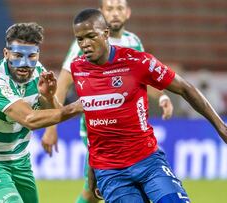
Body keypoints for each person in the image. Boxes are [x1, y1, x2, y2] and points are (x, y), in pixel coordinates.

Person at [70, 9, 227, 203]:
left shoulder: (137, 62)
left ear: (106, 33)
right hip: (111, 172)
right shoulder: (78, 69)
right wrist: (93, 174)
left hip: (148, 162)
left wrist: (223, 129)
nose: (85, 45)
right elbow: (95, 125)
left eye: (91, 36)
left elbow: (186, 89)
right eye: (80, 39)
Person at [42, 1, 173, 202]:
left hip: (131, 130)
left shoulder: (133, 41)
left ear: (127, 13)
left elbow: (145, 76)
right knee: (93, 189)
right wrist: (51, 128)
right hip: (98, 131)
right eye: (110, 9)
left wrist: (162, 96)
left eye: (119, 8)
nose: (115, 14)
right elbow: (64, 82)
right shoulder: (85, 43)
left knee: (98, 192)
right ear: (102, 13)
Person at [0, 22, 82, 203]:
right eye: (17, 55)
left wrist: (48, 97)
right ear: (6, 53)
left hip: (19, 159)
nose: (24, 63)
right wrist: (77, 107)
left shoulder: (39, 72)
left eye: (31, 56)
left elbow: (54, 113)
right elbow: (30, 119)